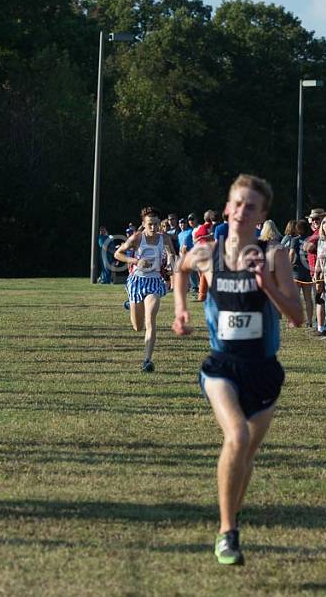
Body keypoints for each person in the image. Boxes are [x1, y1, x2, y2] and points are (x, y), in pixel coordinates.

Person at [172, 174, 302, 566]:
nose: (243, 211)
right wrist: (180, 308)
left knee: (245, 454)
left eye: (251, 206)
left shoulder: (274, 256)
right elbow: (180, 268)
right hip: (221, 366)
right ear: (227, 208)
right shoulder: (207, 253)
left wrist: (268, 286)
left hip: (263, 369)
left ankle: (233, 510)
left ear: (262, 215)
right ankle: (227, 533)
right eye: (237, 203)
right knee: (238, 435)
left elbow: (297, 317)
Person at [116, 207, 176, 373]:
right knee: (138, 327)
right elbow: (118, 254)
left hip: (155, 282)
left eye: (156, 224)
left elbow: (172, 254)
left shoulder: (164, 238)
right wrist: (135, 260)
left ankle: (147, 360)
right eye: (150, 224)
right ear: (143, 224)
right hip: (137, 282)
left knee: (151, 320)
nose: (153, 228)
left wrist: (172, 263)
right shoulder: (136, 238)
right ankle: (132, 302)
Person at [281, 219, 315, 326]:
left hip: (296, 271)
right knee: (308, 299)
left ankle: (294, 321)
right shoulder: (311, 239)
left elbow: (291, 254)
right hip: (307, 271)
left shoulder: (295, 240)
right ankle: (309, 321)